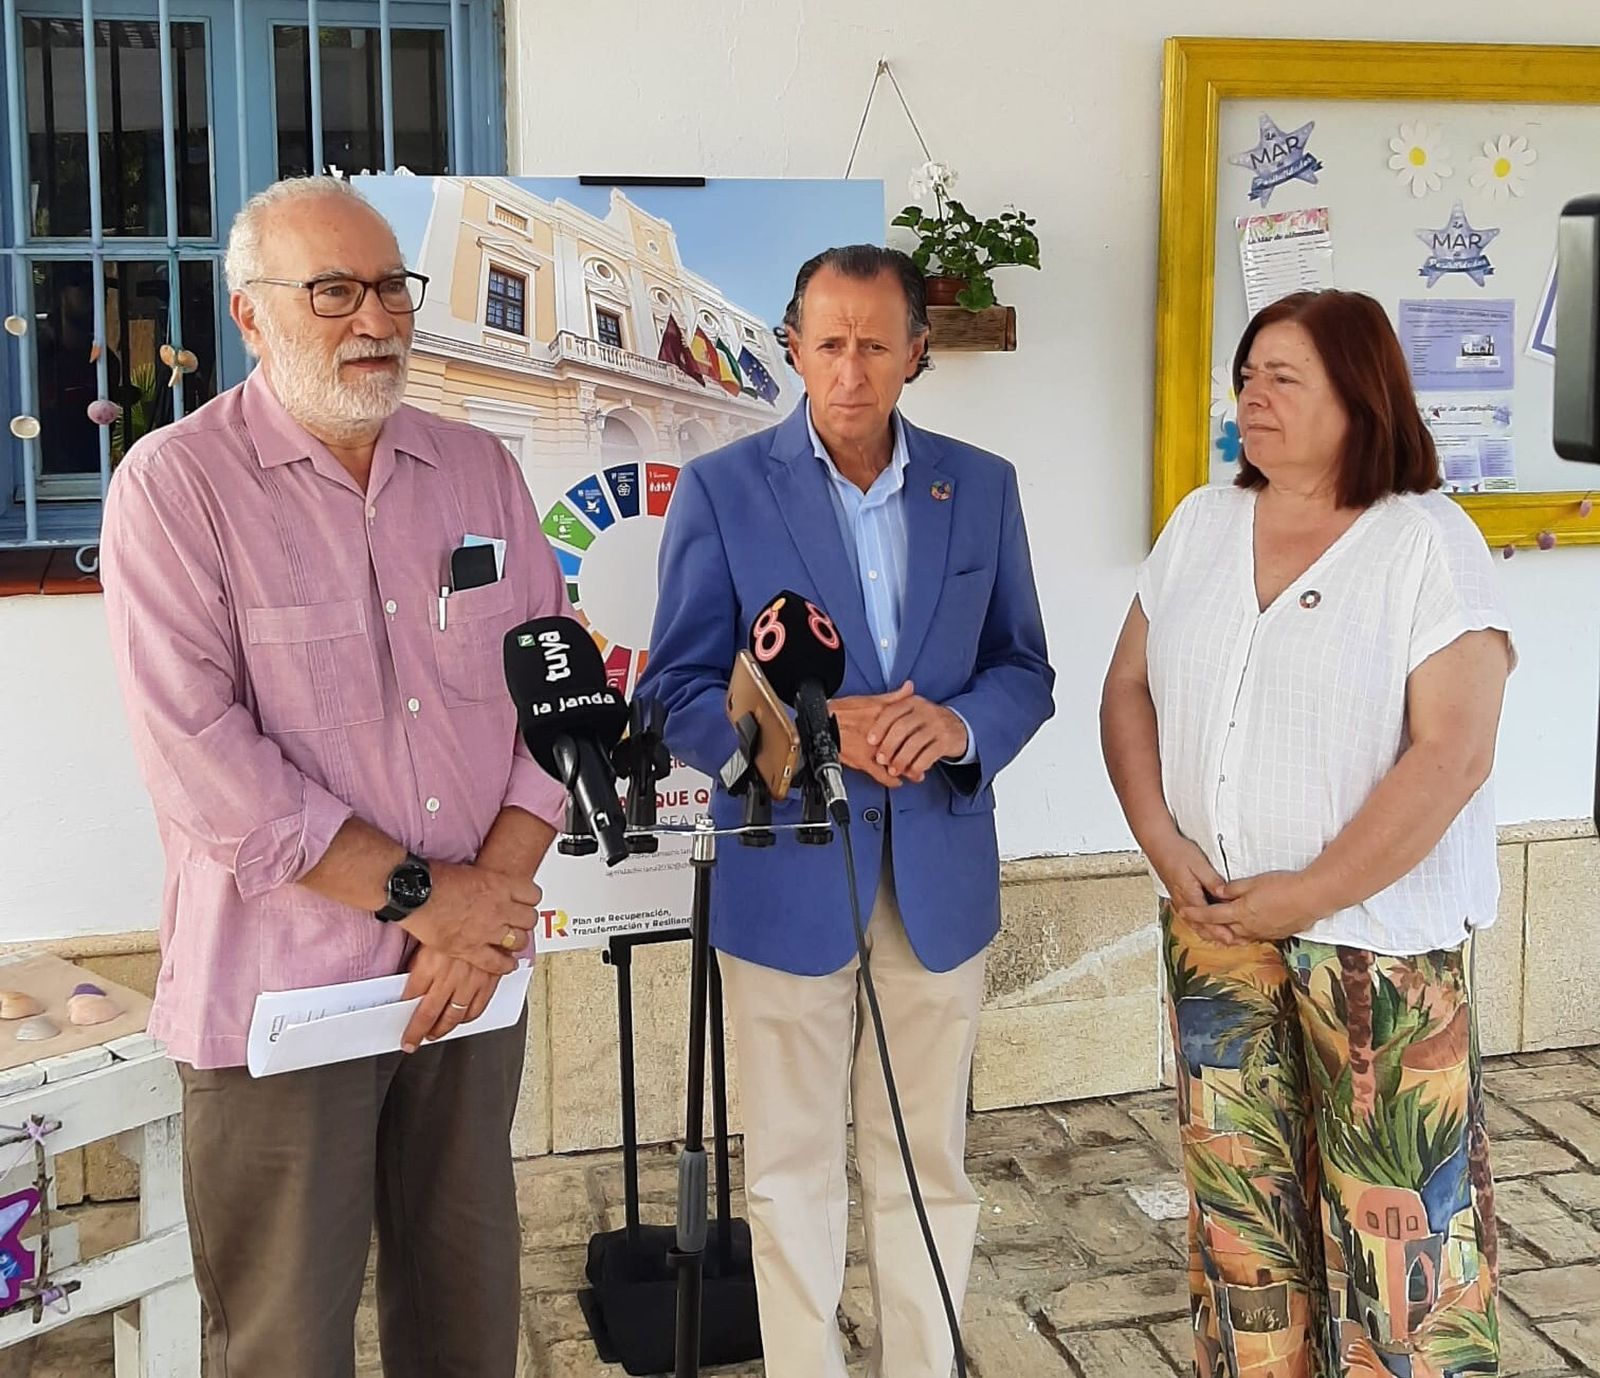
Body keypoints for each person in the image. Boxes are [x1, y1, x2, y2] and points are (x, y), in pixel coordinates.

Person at [100, 176, 570, 1378]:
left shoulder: (481, 473)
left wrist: (482, 916)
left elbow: (557, 706)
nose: (376, 319)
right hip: (281, 998)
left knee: (465, 1316)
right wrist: (434, 901)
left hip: (464, 989)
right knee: (282, 1338)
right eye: (333, 292)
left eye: (391, 288)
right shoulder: (174, 485)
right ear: (251, 316)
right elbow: (205, 764)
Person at [639, 245, 1055, 1378]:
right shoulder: (726, 489)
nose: (851, 369)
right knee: (787, 1173)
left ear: (917, 351)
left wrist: (957, 727)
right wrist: (805, 739)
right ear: (791, 348)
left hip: (936, 881)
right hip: (784, 881)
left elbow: (1023, 667)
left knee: (929, 1165)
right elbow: (672, 690)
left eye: (875, 343)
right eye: (828, 343)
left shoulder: (982, 485)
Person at [1101, 289, 1511, 1377]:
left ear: (1359, 395)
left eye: (1284, 377)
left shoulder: (1427, 542)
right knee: (1240, 1221)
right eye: (1247, 374)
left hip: (1376, 951)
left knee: (1399, 1238)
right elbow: (1127, 688)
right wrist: (1159, 836)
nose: (1253, 395)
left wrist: (1312, 888)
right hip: (1215, 928)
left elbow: (1452, 753)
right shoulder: (1199, 523)